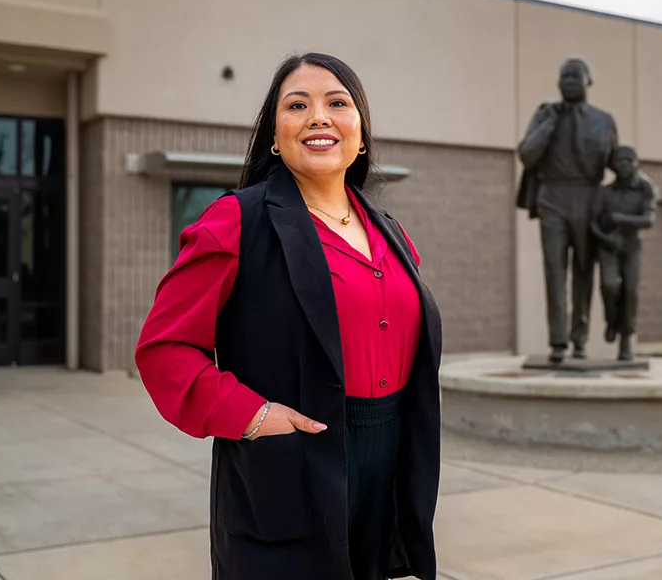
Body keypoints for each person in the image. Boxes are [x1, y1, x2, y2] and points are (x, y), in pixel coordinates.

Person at [136, 53, 442, 580]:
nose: (319, 117)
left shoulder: (392, 231)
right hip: (291, 460)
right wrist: (252, 417)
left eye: (337, 103)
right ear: (275, 136)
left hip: (389, 464)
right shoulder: (236, 221)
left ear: (360, 134)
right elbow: (165, 350)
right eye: (297, 105)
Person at [516, 57, 618, 363]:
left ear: (589, 81)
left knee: (584, 270)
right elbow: (527, 154)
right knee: (554, 269)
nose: (569, 81)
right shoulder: (545, 114)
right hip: (553, 196)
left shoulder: (604, 120)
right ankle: (558, 342)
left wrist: (637, 184)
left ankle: (580, 339)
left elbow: (616, 161)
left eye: (576, 75)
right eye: (564, 76)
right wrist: (549, 123)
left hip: (589, 196)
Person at [590, 146, 656, 361]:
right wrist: (606, 239)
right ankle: (612, 320)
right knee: (609, 285)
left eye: (629, 160)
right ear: (613, 165)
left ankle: (626, 339)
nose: (624, 164)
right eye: (620, 160)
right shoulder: (604, 192)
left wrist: (620, 219)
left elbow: (648, 220)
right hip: (608, 245)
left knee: (630, 290)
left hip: (631, 246)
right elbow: (591, 222)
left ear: (636, 162)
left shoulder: (645, 188)